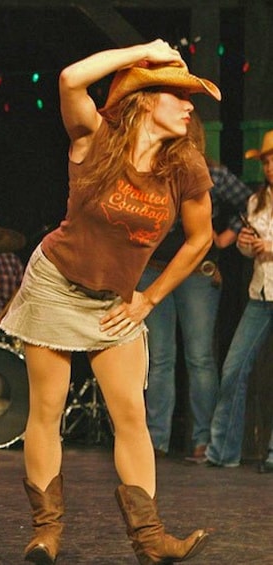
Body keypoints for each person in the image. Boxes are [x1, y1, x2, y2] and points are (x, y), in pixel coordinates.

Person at [0, 41, 219, 564]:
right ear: (144, 99)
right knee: (46, 412)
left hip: (114, 304)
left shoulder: (184, 166)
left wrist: (150, 298)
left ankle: (149, 540)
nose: (190, 106)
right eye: (179, 95)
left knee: (132, 417)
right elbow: (72, 77)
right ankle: (45, 532)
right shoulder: (94, 141)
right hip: (55, 285)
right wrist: (143, 51)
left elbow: (200, 240)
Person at [139, 113, 252, 462]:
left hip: (195, 274)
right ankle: (155, 441)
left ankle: (204, 442)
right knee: (159, 359)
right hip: (153, 270)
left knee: (200, 357)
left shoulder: (211, 173)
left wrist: (227, 235)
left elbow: (252, 202)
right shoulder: (150, 170)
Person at [206, 129, 273, 471]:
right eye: (267, 161)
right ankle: (222, 451)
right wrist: (245, 242)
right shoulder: (256, 201)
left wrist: (269, 248)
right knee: (233, 369)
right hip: (260, 294)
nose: (271, 166)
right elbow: (248, 250)